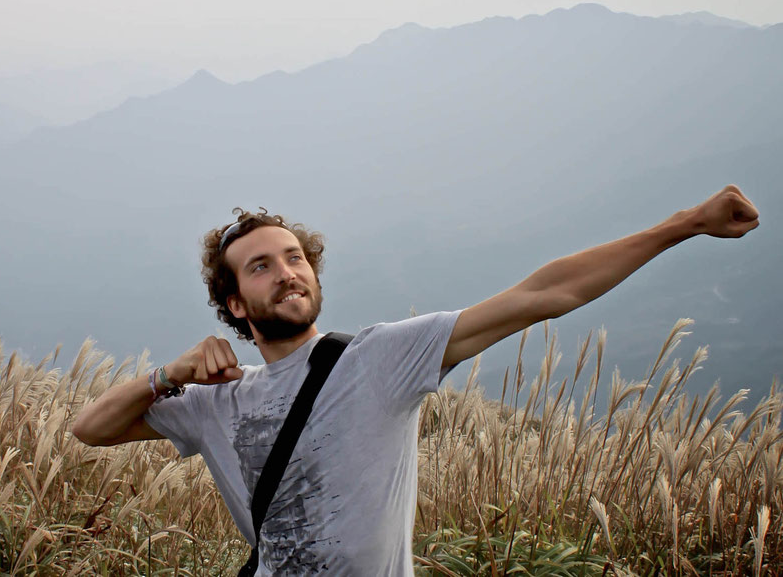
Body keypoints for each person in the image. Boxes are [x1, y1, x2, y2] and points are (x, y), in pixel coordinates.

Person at [72, 185, 759, 575]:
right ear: (232, 304)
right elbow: (90, 427)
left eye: (293, 257)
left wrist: (684, 224)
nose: (287, 271)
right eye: (260, 266)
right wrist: (169, 374)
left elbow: (545, 292)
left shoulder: (378, 359)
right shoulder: (216, 403)